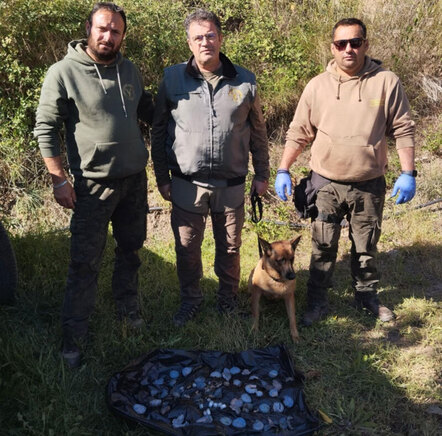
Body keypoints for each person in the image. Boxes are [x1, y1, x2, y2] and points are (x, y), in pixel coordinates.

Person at [34, 2, 154, 367]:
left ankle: (128, 311)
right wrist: (59, 180)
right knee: (85, 262)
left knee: (131, 251)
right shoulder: (63, 72)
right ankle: (74, 337)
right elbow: (45, 128)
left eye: (116, 31)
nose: (108, 36)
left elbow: (147, 111)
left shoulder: (129, 69)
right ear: (88, 28)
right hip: (91, 185)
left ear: (123, 36)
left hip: (134, 181)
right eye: (102, 28)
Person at [275, 18, 416, 326]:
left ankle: (367, 298)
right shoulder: (317, 85)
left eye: (355, 42)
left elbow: (403, 128)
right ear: (333, 48)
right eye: (341, 44)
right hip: (325, 183)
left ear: (365, 44)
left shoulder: (386, 81)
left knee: (366, 247)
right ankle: (317, 302)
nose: (348, 49)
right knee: (322, 246)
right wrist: (284, 168)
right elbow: (299, 131)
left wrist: (409, 173)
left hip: (368, 184)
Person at [151, 9, 269, 327]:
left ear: (221, 38)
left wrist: (262, 174)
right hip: (187, 183)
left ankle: (227, 301)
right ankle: (191, 300)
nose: (206, 42)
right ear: (189, 43)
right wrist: (161, 177)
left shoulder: (244, 80)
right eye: (198, 37)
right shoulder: (172, 78)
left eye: (211, 35)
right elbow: (159, 129)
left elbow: (258, 131)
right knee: (187, 247)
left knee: (230, 247)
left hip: (230, 184)